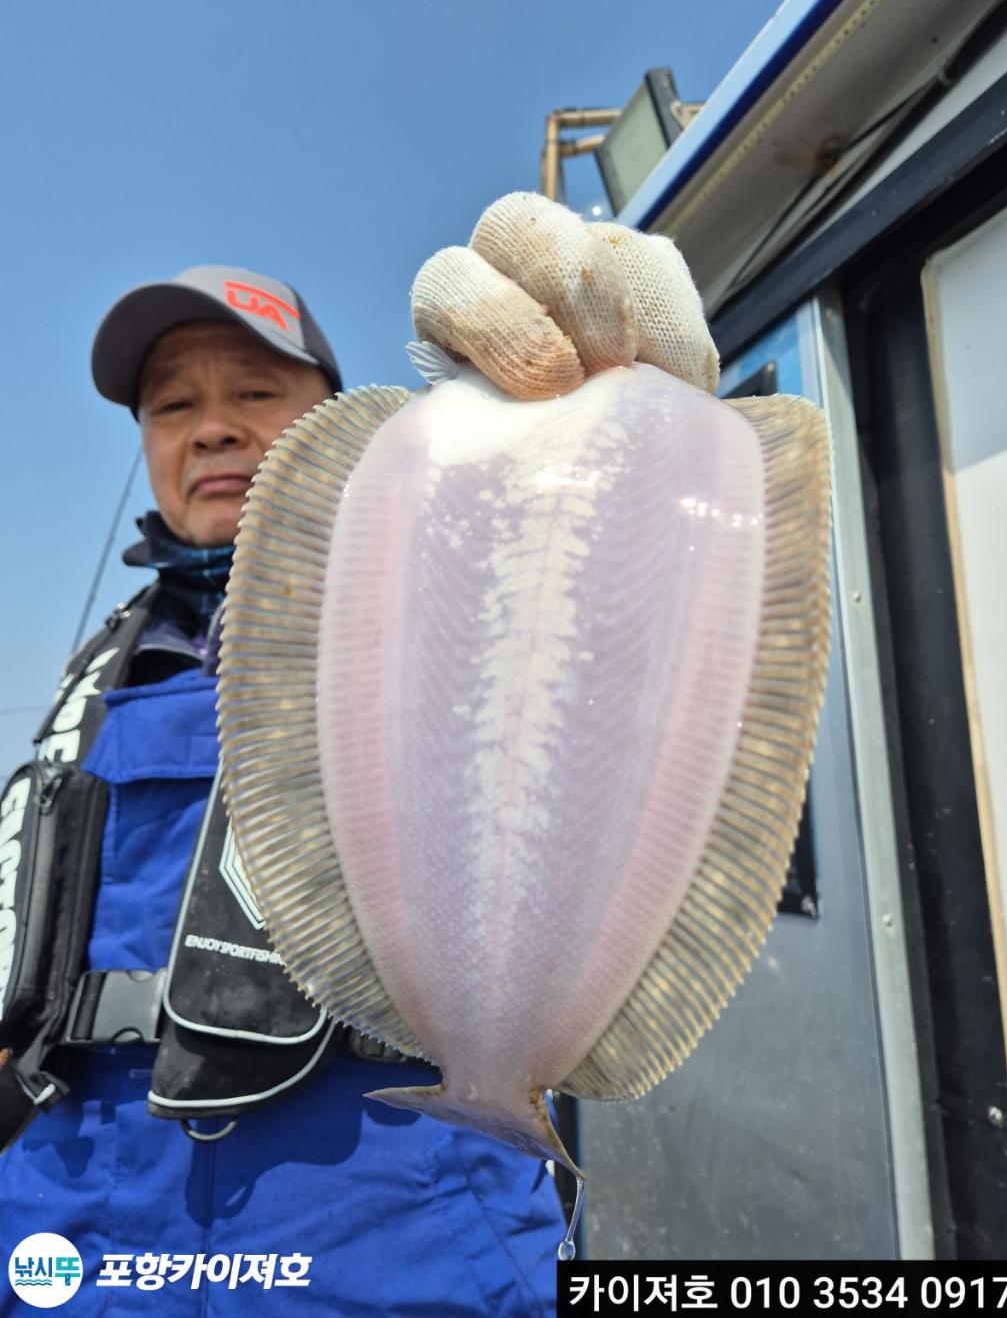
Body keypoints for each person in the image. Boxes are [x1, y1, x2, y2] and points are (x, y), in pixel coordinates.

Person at [0, 193, 720, 1315]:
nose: (212, 427)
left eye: (255, 391)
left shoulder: (438, 582)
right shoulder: (102, 667)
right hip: (75, 1212)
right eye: (171, 403)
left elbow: (612, 657)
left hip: (383, 1196)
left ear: (330, 415)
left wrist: (596, 420)